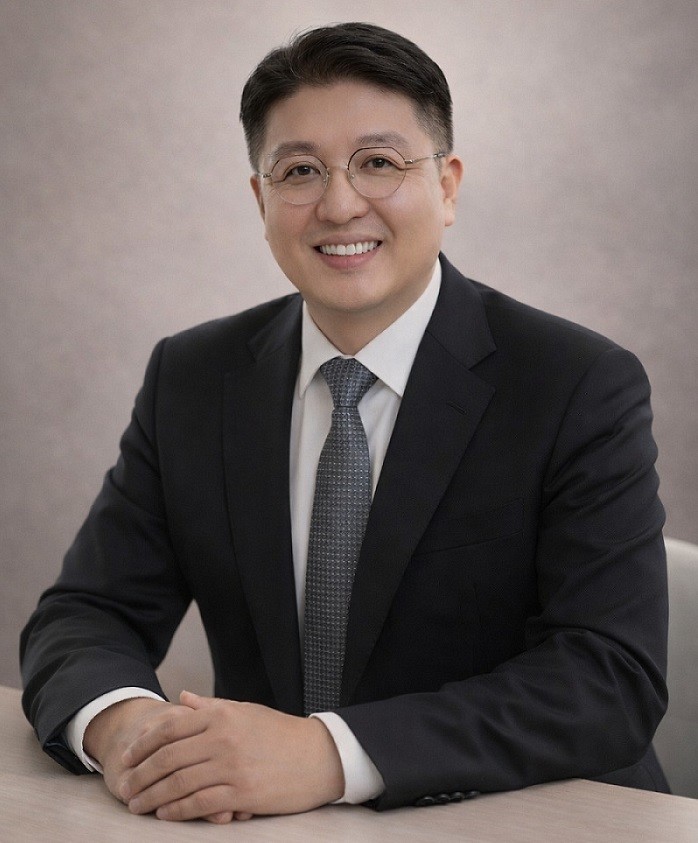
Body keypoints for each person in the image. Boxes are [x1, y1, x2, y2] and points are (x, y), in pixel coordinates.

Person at [20, 22, 669, 824]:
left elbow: (608, 676)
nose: (338, 204)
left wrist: (329, 752)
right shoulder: (193, 379)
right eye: (300, 171)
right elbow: (87, 613)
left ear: (448, 186)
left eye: (379, 163)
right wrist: (129, 731)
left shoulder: (576, 384)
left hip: (542, 821)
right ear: (261, 200)